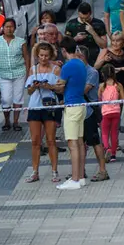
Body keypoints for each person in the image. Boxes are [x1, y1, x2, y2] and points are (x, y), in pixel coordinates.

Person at [53, 36, 89, 190]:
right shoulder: (81, 64)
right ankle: (80, 177)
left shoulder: (67, 67)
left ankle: (74, 179)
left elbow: (60, 87)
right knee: (80, 142)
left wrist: (50, 86)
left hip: (72, 106)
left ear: (63, 50)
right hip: (81, 103)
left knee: (72, 143)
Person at [25, 43, 62, 183]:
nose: (43, 58)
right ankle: (35, 171)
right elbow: (28, 91)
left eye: (46, 55)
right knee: (35, 141)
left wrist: (50, 86)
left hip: (50, 106)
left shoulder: (56, 69)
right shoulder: (33, 69)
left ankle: (54, 171)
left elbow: (60, 89)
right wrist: (34, 87)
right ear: (37, 55)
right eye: (41, 55)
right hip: (35, 106)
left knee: (51, 140)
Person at [78, 46, 109, 182]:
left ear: (82, 57)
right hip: (77, 111)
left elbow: (84, 90)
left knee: (95, 141)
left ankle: (103, 170)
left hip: (89, 112)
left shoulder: (92, 72)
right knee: (79, 142)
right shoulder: (76, 71)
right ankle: (80, 171)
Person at [0, 18, 30, 132]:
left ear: (14, 28)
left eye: (11, 27)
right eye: (7, 27)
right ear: (3, 28)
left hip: (19, 73)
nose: (9, 29)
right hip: (4, 74)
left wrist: (28, 73)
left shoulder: (21, 42)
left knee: (18, 98)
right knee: (6, 99)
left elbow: (26, 57)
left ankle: (16, 122)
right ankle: (6, 121)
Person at [99, 63, 124, 163]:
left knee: (105, 133)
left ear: (103, 74)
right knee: (114, 133)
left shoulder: (102, 86)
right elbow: (123, 98)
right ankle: (113, 154)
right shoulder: (118, 85)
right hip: (116, 112)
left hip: (105, 112)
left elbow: (99, 99)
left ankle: (107, 148)